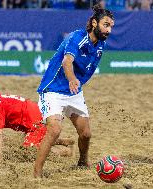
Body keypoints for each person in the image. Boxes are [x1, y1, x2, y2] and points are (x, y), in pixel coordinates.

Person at [36, 4, 114, 177]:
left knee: (86, 134)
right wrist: (72, 79)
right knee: (55, 130)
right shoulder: (77, 37)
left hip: (74, 93)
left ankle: (82, 162)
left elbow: (86, 70)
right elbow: (67, 61)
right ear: (94, 23)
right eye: (106, 25)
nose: (109, 30)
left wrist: (76, 85)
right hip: (53, 91)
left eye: (111, 26)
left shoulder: (100, 46)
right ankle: (37, 173)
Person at [0, 92, 75, 160]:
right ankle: (62, 141)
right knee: (29, 144)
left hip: (34, 119)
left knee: (29, 150)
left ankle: (67, 153)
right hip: (32, 115)